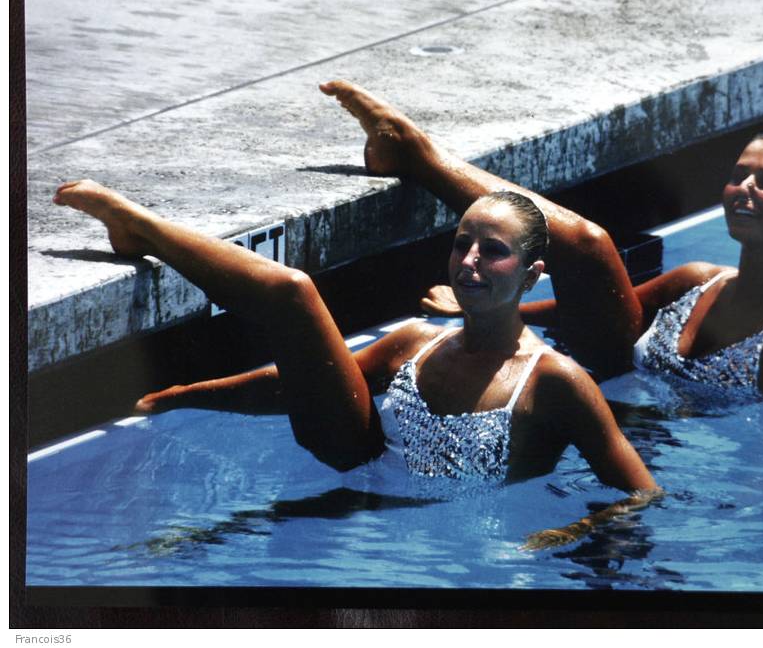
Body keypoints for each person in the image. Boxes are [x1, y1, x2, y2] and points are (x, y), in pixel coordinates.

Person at [318, 79, 763, 492]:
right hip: (604, 397)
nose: (745, 190)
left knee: (591, 247)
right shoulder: (698, 281)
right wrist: (488, 303)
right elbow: (587, 310)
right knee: (589, 247)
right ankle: (417, 155)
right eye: (739, 175)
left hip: (662, 450)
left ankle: (416, 154)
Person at [52, 180, 660, 549]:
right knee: (294, 291)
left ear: (531, 275)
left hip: (447, 533)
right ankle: (140, 228)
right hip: (355, 460)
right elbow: (295, 383)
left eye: (493, 252)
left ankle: (140, 230)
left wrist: (561, 536)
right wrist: (184, 396)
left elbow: (641, 495)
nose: (469, 261)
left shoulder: (555, 382)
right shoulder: (417, 340)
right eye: (460, 243)